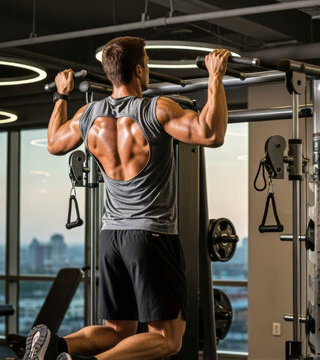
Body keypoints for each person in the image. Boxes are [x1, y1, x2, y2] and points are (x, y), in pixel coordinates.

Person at [22, 36, 230, 360]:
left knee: (119, 332)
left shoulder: (89, 114)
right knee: (168, 339)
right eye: (147, 62)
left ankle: (58, 346)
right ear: (138, 69)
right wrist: (215, 76)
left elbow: (54, 142)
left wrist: (61, 95)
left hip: (110, 237)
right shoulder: (155, 109)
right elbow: (211, 133)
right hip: (151, 235)